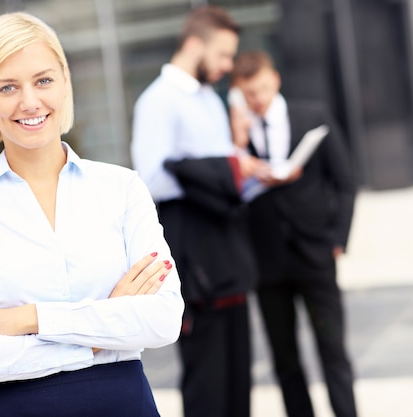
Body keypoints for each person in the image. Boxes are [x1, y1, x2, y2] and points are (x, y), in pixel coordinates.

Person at [0, 12, 184, 417]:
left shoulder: (122, 189)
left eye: (43, 80)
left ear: (65, 80)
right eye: (8, 86)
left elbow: (163, 320)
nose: (30, 102)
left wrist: (30, 318)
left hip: (124, 405)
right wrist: (103, 330)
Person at [131, 6, 261, 417]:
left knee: (239, 379)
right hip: (195, 254)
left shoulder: (210, 98)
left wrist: (238, 163)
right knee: (207, 383)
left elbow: (223, 167)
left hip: (228, 252)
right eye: (222, 55)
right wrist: (220, 172)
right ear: (193, 44)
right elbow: (150, 181)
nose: (227, 65)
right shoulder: (157, 101)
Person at [230, 50, 358, 417]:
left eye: (264, 89)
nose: (259, 99)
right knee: (285, 359)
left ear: (276, 81)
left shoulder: (312, 116)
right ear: (239, 92)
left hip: (315, 254)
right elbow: (230, 196)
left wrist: (338, 239)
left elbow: (345, 182)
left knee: (333, 349)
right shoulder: (236, 134)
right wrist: (237, 146)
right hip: (267, 261)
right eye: (249, 93)